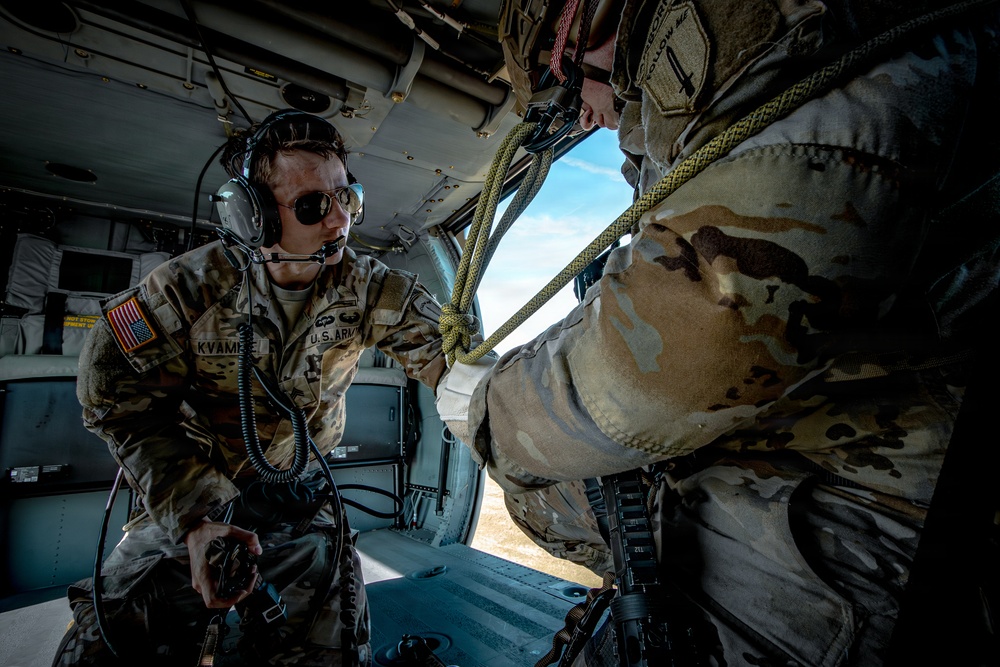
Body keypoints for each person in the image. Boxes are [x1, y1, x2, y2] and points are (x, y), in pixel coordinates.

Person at [438, 0, 1000, 664]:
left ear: (578, 26)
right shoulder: (723, 88)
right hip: (822, 459)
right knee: (555, 490)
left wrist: (488, 413)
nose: (584, 116)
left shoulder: (737, 37)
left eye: (564, 87)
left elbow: (701, 331)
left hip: (869, 501)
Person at [56, 110, 447, 666]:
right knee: (98, 647)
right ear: (255, 218)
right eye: (313, 206)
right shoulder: (189, 289)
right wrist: (195, 517)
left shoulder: (370, 288)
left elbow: (454, 360)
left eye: (348, 198)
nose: (340, 222)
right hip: (194, 493)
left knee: (334, 653)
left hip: (300, 499)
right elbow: (110, 394)